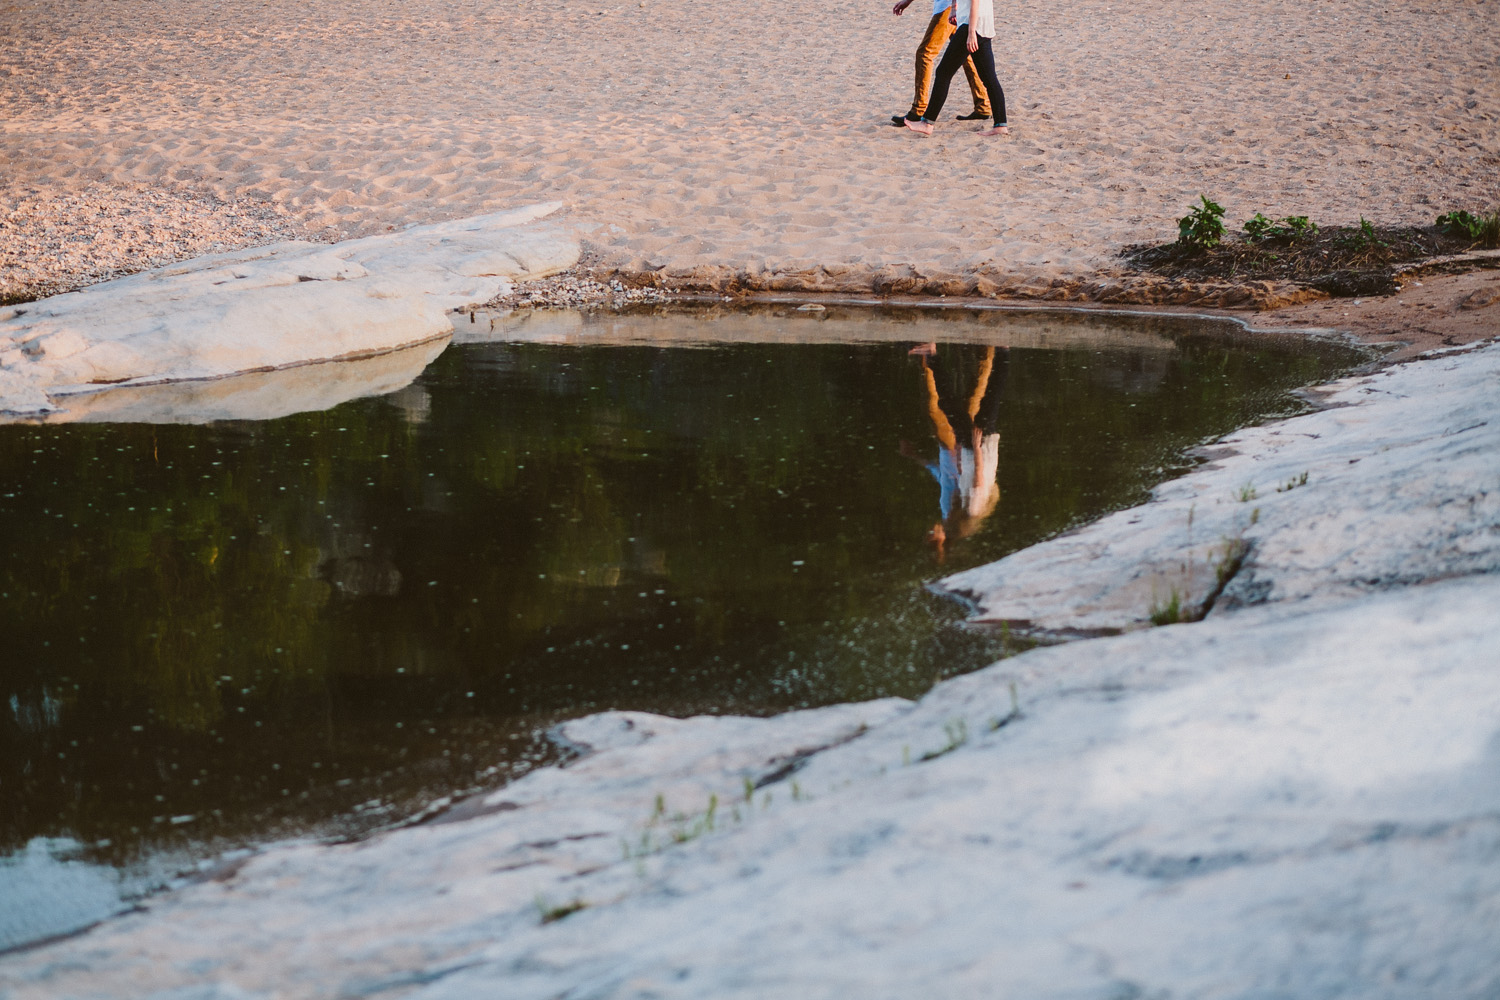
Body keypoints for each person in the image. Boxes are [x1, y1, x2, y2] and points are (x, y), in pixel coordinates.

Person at [899, 343, 1007, 562]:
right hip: (977, 447)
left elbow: (963, 479)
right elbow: (977, 479)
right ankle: (934, 355)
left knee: (986, 400)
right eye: (947, 525)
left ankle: (1003, 350)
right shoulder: (973, 509)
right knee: (965, 402)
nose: (944, 522)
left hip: (975, 449)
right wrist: (975, 448)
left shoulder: (967, 511)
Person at [902, 0, 1008, 137]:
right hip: (983, 24)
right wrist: (954, 8)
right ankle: (1000, 125)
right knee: (989, 78)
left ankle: (927, 123)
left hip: (971, 25)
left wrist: (971, 33)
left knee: (943, 73)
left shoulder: (970, 28)